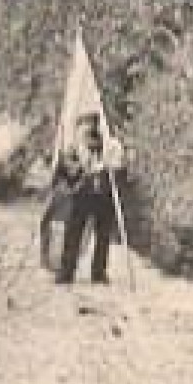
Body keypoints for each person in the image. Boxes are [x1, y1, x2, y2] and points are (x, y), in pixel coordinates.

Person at [53, 113, 127, 285]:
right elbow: (66, 167)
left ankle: (99, 272)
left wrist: (111, 164)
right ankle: (66, 271)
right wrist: (78, 168)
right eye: (86, 125)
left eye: (93, 124)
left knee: (103, 236)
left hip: (103, 194)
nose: (90, 127)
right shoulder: (76, 145)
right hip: (83, 194)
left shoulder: (111, 144)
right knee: (73, 233)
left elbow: (119, 167)